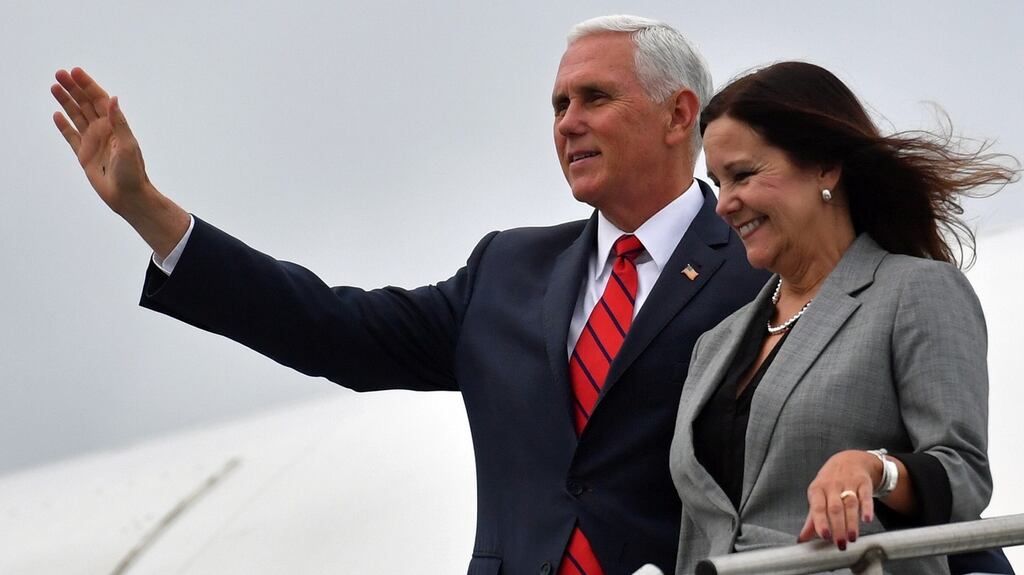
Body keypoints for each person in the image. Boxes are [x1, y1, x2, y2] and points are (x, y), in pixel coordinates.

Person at [51, 16, 770, 575]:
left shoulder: (760, 267)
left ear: (680, 116)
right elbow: (334, 328)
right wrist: (149, 210)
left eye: (595, 98)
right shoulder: (508, 268)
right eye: (558, 104)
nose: (567, 121)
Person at [669, 61, 1018, 574]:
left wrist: (875, 469)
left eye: (742, 175)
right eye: (717, 182)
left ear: (825, 168)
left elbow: (962, 477)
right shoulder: (715, 344)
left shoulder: (916, 291)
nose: (724, 204)